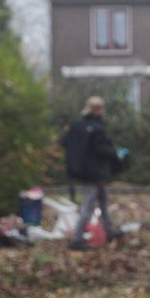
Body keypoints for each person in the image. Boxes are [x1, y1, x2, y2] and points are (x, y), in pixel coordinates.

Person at [61, 96, 124, 250]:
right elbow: (101, 149)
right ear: (97, 110)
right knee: (89, 205)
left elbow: (65, 142)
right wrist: (116, 154)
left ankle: (109, 231)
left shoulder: (76, 126)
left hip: (81, 170)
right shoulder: (96, 128)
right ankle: (77, 238)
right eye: (101, 109)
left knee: (103, 200)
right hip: (94, 172)